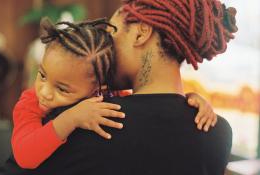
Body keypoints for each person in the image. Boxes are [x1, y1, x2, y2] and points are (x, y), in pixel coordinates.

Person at [12, 17, 216, 170]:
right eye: (42, 75)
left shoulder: (109, 99)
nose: (44, 92)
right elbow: (25, 156)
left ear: (97, 90)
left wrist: (191, 99)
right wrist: (71, 118)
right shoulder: (30, 102)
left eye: (62, 89)